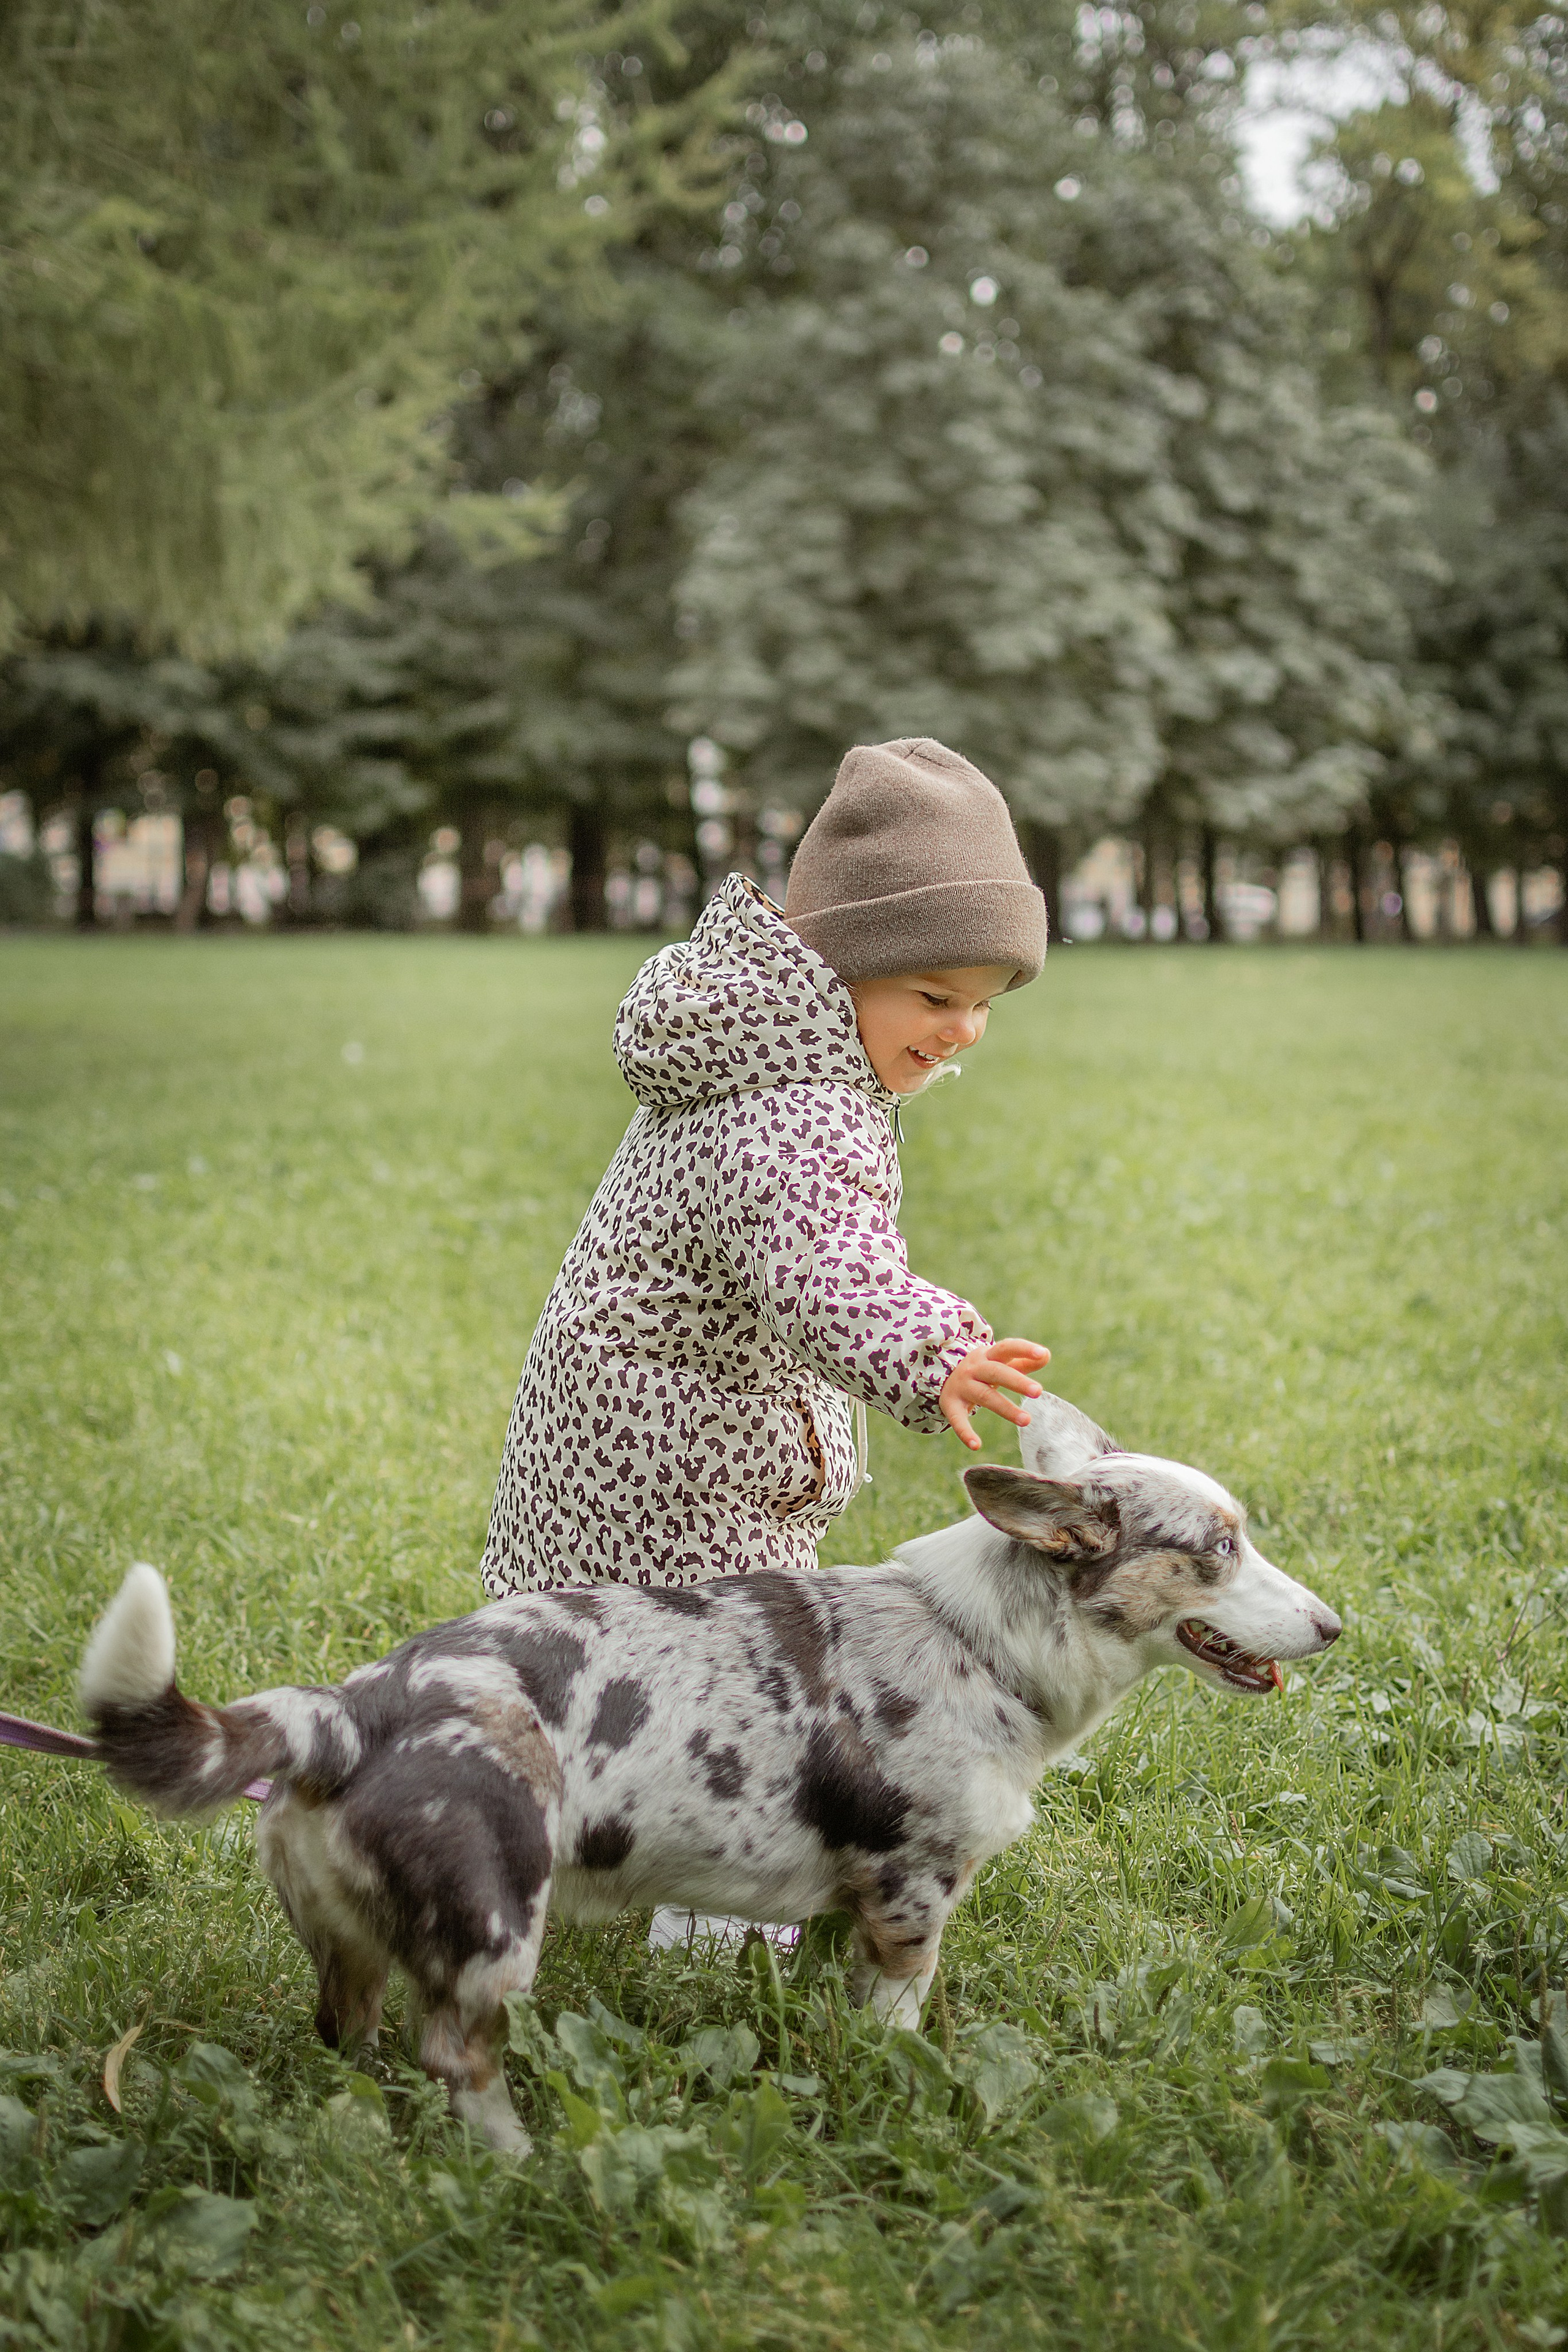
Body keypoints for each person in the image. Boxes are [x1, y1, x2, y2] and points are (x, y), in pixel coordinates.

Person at [480, 734, 1052, 1606]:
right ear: (841, 966)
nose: (965, 1030)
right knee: (709, 1673)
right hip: (679, 1476)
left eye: (984, 1004)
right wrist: (937, 1356)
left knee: (583, 1654)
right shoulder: (796, 1111)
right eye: (938, 998)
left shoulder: (756, 1044)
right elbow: (823, 1266)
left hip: (627, 1427)